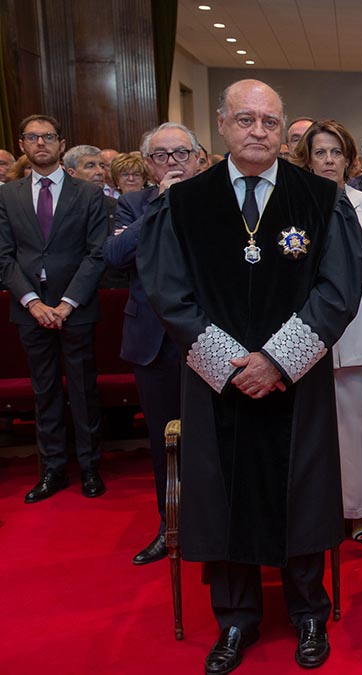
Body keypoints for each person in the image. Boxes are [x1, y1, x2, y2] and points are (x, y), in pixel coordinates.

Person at [138, 79, 362, 674]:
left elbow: (339, 291)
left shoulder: (322, 199)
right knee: (223, 494)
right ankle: (235, 619)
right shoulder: (183, 203)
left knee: (303, 494)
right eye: (245, 119)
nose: (258, 131)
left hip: (297, 380)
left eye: (269, 121)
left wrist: (277, 361)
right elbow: (168, 292)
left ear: (283, 128)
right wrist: (231, 366)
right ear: (221, 124)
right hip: (216, 384)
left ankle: (309, 612)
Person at [102, 122, 202, 565]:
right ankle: (170, 525)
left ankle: (212, 523)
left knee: (210, 437)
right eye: (161, 156)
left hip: (208, 338)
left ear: (197, 158)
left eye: (181, 153)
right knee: (165, 442)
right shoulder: (133, 204)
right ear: (148, 164)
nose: (172, 162)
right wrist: (160, 203)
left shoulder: (215, 199)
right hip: (153, 341)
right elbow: (114, 256)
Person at [291, 119, 362, 545]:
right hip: (302, 334)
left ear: (349, 160)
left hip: (356, 329)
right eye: (320, 152)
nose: (329, 160)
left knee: (355, 426)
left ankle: (358, 510)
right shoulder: (293, 203)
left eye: (337, 152)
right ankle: (318, 511)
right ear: (307, 159)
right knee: (311, 430)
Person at [0, 113, 108, 503]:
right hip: (29, 306)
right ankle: (52, 469)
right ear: (22, 145)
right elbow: (4, 257)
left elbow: (97, 254)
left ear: (61, 144)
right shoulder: (7, 196)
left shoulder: (88, 193)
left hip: (76, 305)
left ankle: (90, 467)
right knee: (43, 391)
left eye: (47, 136)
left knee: (83, 389)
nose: (40, 143)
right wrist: (32, 302)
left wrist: (66, 303)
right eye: (32, 137)